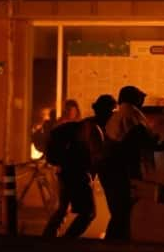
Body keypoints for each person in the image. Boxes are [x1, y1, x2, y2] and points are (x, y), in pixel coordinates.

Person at [42, 95, 117, 238]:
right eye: (112, 111)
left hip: (66, 172)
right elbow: (97, 157)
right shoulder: (93, 128)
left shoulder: (87, 124)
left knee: (63, 209)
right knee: (89, 213)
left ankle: (47, 239)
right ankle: (68, 242)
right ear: (106, 111)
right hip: (78, 175)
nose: (114, 115)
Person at [99, 85, 158, 240]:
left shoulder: (119, 115)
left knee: (120, 211)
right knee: (122, 211)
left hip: (110, 168)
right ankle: (113, 246)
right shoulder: (132, 114)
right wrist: (159, 144)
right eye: (141, 97)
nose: (143, 101)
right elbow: (140, 137)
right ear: (133, 99)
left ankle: (115, 244)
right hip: (118, 169)